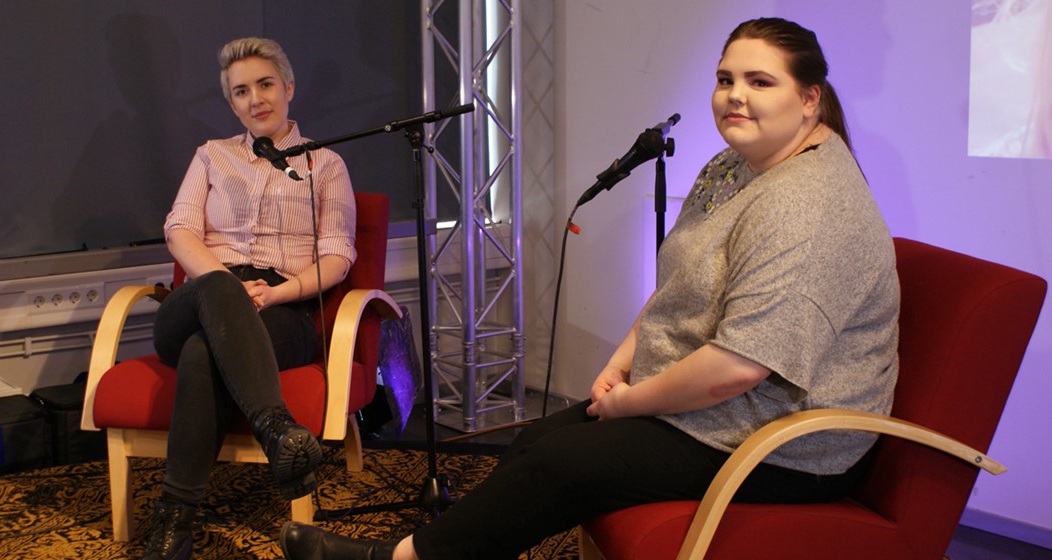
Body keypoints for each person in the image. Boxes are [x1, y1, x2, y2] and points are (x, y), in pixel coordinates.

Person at [279, 16, 899, 560]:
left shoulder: (809, 206)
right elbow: (677, 285)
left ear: (810, 98)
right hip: (717, 409)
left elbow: (739, 367)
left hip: (782, 444)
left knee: (563, 462)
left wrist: (631, 402)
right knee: (539, 438)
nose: (734, 97)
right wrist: (620, 364)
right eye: (725, 79)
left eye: (760, 83)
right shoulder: (734, 165)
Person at [143, 37, 357, 560]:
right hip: (202, 294)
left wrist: (275, 292)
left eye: (264, 84)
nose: (255, 98)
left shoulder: (323, 165)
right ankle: (278, 430)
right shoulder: (211, 156)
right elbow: (179, 230)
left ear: (288, 88)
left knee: (202, 353)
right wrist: (228, 286)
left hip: (281, 307)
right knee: (214, 291)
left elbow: (336, 256)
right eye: (241, 91)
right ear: (232, 102)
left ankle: (173, 523)